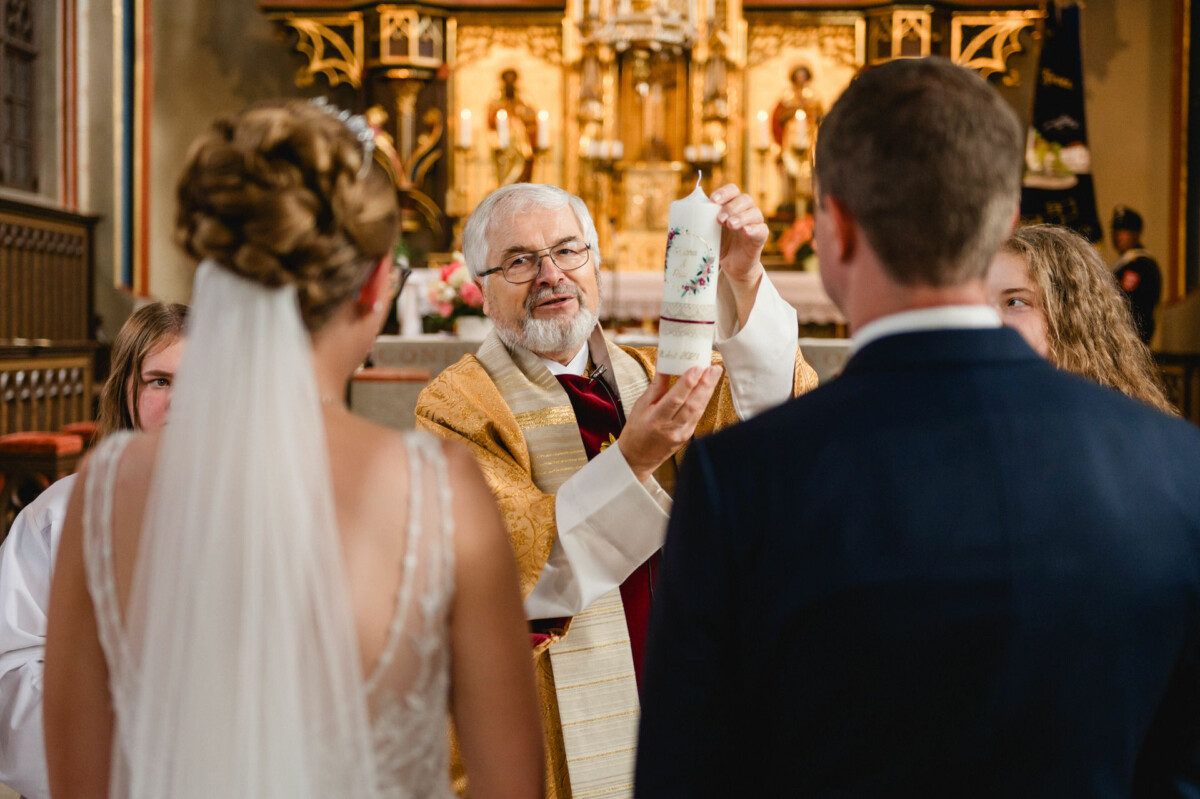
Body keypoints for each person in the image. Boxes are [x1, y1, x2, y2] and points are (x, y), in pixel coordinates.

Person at [636, 57, 1200, 797]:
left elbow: (691, 777)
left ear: (834, 228)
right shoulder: (1174, 463)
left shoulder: (738, 479)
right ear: (999, 221)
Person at [43, 100, 541, 799]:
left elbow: (77, 782)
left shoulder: (106, 488)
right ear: (375, 283)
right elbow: (511, 785)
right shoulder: (439, 490)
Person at [416, 181, 817, 796]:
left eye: (568, 250)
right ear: (481, 285)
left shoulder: (656, 375)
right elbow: (509, 574)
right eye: (520, 260)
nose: (551, 274)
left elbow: (768, 427)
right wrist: (633, 459)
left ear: (594, 263)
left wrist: (742, 272)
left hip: (682, 701)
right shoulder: (457, 407)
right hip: (552, 729)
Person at [0, 301, 186, 799]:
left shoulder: (258, 514)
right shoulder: (58, 516)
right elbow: (12, 666)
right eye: (160, 382)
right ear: (127, 388)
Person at [987, 223, 1175, 413]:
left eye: (1015, 302)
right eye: (984, 302)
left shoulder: (1116, 420)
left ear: (1068, 315)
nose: (989, 318)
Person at [1110, 205, 1161, 346]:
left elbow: (1128, 303)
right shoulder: (1125, 263)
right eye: (1116, 230)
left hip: (1131, 338)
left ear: (1137, 233)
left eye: (1125, 230)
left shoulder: (1140, 265)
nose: (1118, 235)